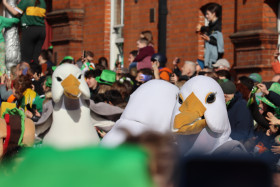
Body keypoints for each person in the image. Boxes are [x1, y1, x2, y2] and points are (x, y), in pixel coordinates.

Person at [219, 80, 255, 145]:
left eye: (226, 97)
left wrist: (233, 144)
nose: (224, 99)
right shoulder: (227, 105)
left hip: (239, 144)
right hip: (228, 142)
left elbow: (243, 129)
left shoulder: (241, 105)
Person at [196, 3, 224, 68]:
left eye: (208, 14)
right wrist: (202, 28)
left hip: (216, 61)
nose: (206, 16)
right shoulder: (211, 25)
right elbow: (209, 29)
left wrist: (209, 39)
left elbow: (220, 44)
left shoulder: (219, 26)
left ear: (214, 13)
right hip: (209, 60)